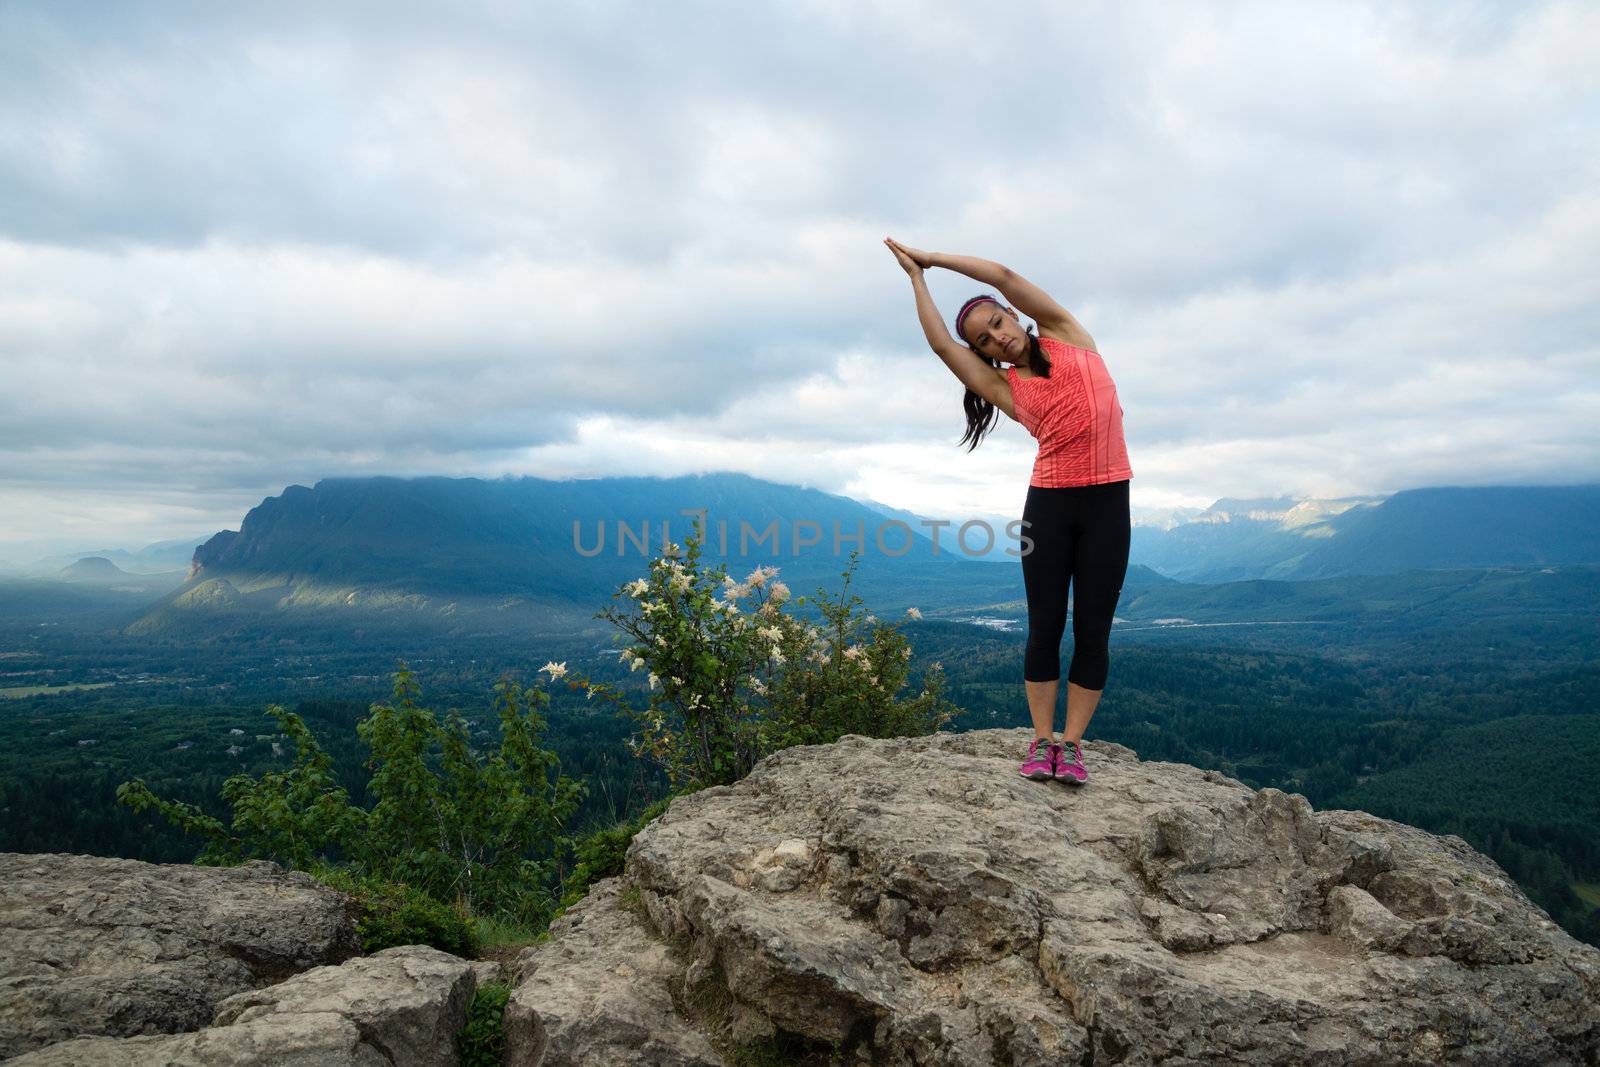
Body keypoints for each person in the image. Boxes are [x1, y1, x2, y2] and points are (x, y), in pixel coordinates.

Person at [884, 236, 1132, 786]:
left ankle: (1072, 747)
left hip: (1108, 506)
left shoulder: (1069, 336)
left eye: (999, 323)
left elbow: (1001, 272)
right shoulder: (1005, 387)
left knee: (1093, 632)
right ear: (988, 354)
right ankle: (1041, 742)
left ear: (1013, 316)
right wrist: (916, 281)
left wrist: (933, 258)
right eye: (985, 340)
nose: (998, 337)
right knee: (1045, 627)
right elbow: (943, 348)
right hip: (1047, 506)